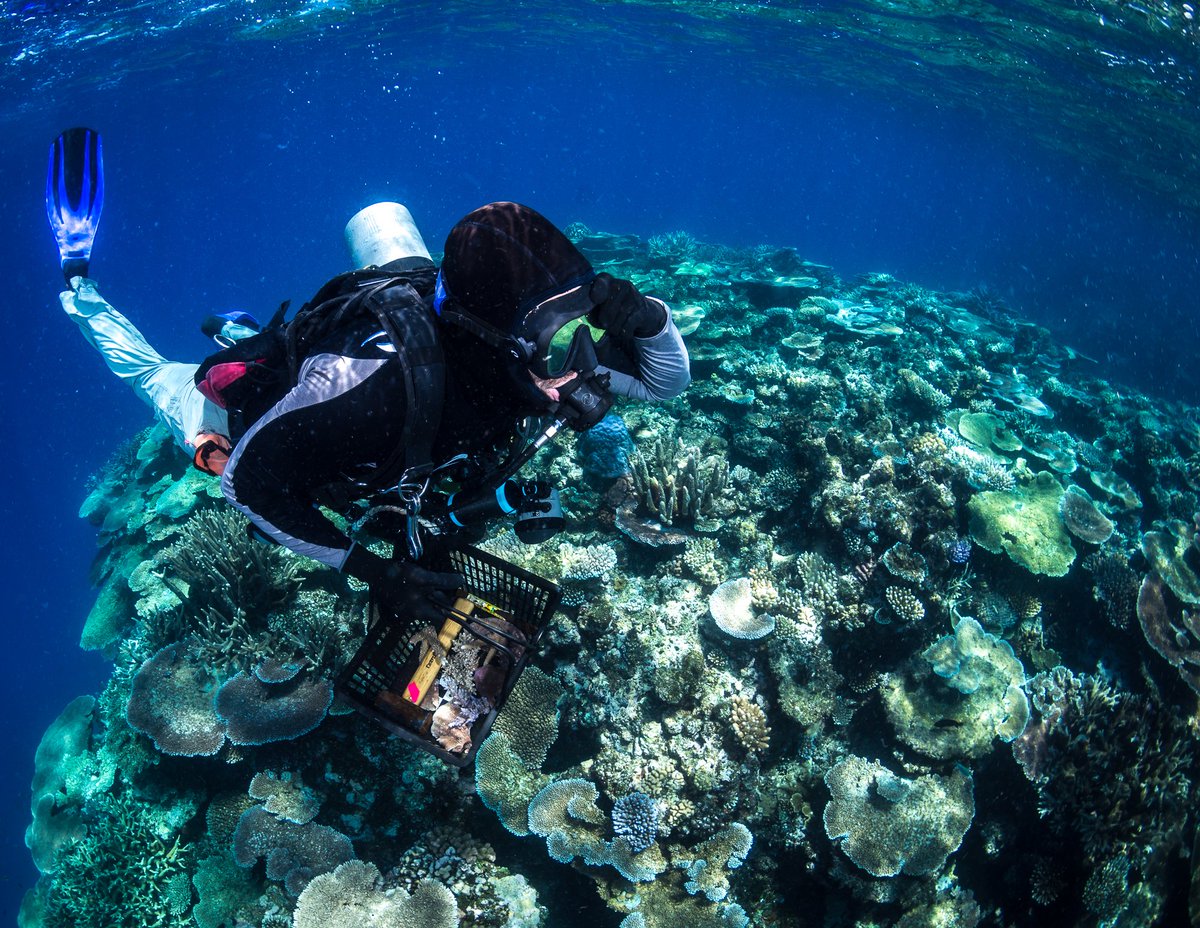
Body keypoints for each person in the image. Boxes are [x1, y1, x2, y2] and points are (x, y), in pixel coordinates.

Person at [216, 201, 691, 618]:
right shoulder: (364, 390)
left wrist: (648, 320)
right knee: (175, 385)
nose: (576, 373)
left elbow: (662, 385)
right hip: (343, 391)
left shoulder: (525, 353)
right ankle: (230, 339)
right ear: (493, 343)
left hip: (443, 326)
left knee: (386, 221)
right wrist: (374, 571)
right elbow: (244, 483)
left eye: (577, 325)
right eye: (553, 342)